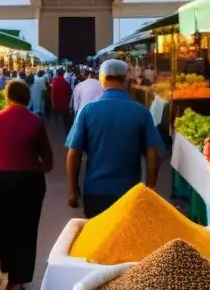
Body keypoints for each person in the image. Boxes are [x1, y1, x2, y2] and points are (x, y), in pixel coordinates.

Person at [65, 59, 164, 218]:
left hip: (95, 192)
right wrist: (150, 188)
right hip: (130, 193)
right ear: (126, 80)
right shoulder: (141, 112)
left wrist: (72, 190)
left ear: (101, 79)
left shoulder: (87, 111)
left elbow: (73, 154)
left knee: (99, 241)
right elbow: (154, 153)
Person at [0, 80, 53, 290]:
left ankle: (9, 267)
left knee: (4, 224)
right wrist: (40, 168)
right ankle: (20, 276)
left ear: (7, 96)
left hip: (2, 178)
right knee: (27, 226)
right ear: (27, 98)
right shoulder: (35, 121)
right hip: (30, 179)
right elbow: (47, 154)